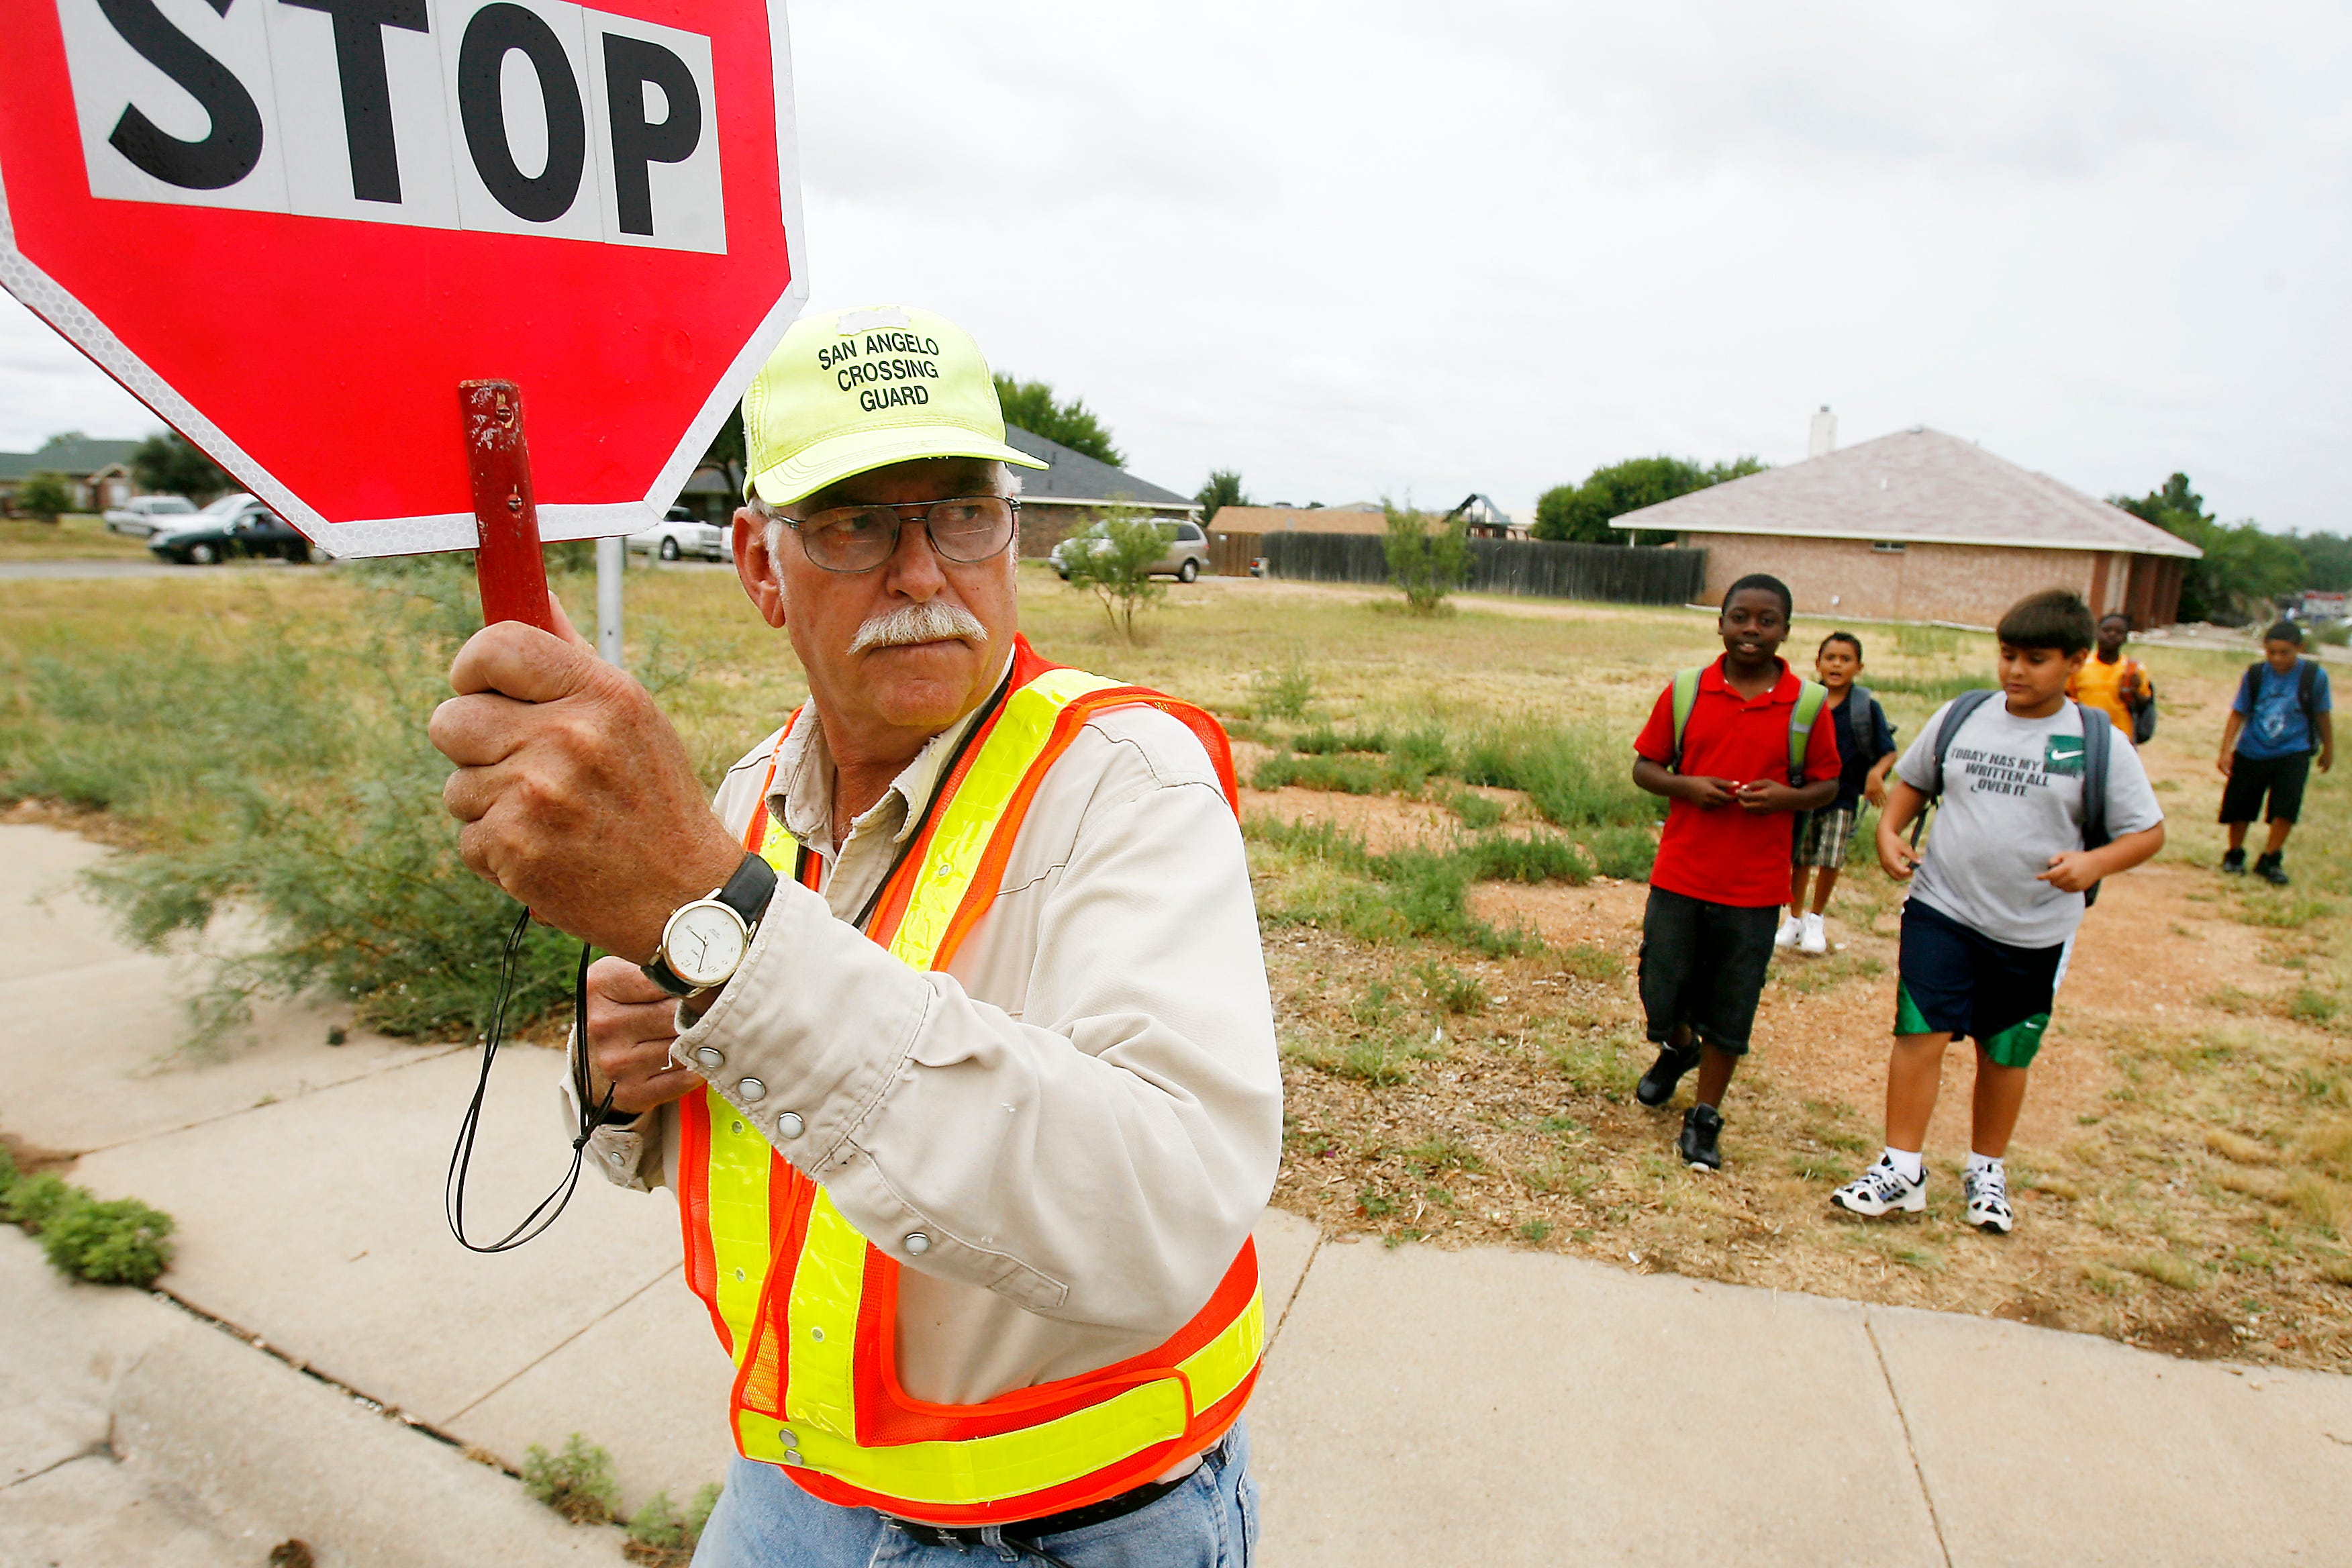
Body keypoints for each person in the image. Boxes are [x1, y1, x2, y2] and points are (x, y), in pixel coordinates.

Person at [427, 304, 1280, 1565]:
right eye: (854, 523)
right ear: (761, 566)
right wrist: (613, 1080)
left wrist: (731, 933)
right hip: (793, 1489)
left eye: (962, 514)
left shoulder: (1124, 777)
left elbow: (1165, 1207)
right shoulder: (739, 798)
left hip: (1069, 1526)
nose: (922, 571)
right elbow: (705, 1139)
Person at [1831, 590, 2165, 1234]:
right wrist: (1888, 832)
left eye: (2035, 659)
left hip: (2033, 928)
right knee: (1918, 1032)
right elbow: (1914, 783)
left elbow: (2147, 833)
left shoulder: (2100, 742)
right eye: (2007, 655)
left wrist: (2095, 864)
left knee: (2006, 1053)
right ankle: (1902, 1169)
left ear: (2074, 661)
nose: (2015, 671)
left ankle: (1987, 1169)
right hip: (1942, 908)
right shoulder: (1965, 715)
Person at [1630, 574, 1841, 1170]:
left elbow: (1827, 784)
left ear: (1786, 631)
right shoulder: (1687, 691)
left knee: (1732, 1003)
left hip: (1754, 886)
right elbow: (1646, 768)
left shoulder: (1806, 705)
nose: (1753, 630)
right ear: (1720, 623)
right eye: (1741, 618)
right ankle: (1678, 1047)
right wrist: (1687, 787)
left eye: (1767, 620)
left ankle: (1704, 1117)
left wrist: (1786, 799)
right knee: (1660, 990)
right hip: (1681, 872)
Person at [1778, 631, 1898, 955]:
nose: (1837, 665)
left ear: (1859, 667)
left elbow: (1889, 750)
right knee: (1799, 859)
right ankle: (1795, 917)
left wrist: (1875, 774)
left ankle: (1816, 918)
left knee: (1829, 859)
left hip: (1842, 797)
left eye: (1846, 660)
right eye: (1830, 658)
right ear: (1818, 663)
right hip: (1803, 796)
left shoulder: (1866, 708)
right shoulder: (1805, 702)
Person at [2218, 620, 2334, 886]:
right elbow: (2239, 712)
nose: (2278, 659)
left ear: (2300, 648)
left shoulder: (2314, 677)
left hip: (2294, 750)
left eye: (2285, 653)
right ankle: (2235, 853)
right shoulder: (2256, 675)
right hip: (2253, 749)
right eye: (2272, 652)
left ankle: (2271, 857)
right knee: (2241, 805)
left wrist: (2329, 748)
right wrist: (2226, 749)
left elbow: (2322, 713)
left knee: (2286, 806)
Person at [2066, 611, 2154, 741]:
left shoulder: (2134, 668)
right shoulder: (2080, 664)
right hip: (2083, 732)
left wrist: (2134, 692)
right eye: (2107, 630)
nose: (2112, 634)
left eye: (2119, 632)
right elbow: (2067, 697)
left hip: (2121, 736)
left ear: (2125, 638)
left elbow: (2145, 705)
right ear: (2096, 633)